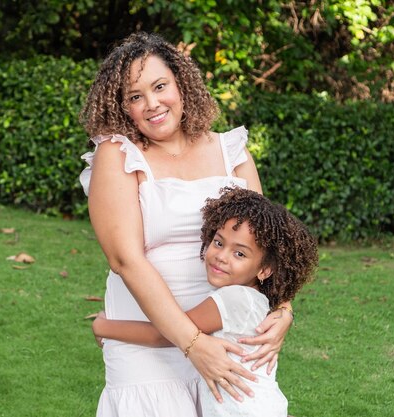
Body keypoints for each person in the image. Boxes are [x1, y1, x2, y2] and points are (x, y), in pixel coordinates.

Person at [79, 32, 294, 415]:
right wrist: (193, 343)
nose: (152, 104)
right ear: (122, 106)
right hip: (146, 338)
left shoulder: (230, 151)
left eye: (160, 86)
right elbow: (125, 260)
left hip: (229, 332)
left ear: (181, 83)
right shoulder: (117, 155)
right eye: (135, 96)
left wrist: (283, 310)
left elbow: (267, 241)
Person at [91, 187, 319, 416]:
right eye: (219, 243)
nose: (221, 256)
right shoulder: (255, 300)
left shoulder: (234, 299)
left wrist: (103, 326)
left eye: (239, 254)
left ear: (265, 270)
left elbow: (165, 333)